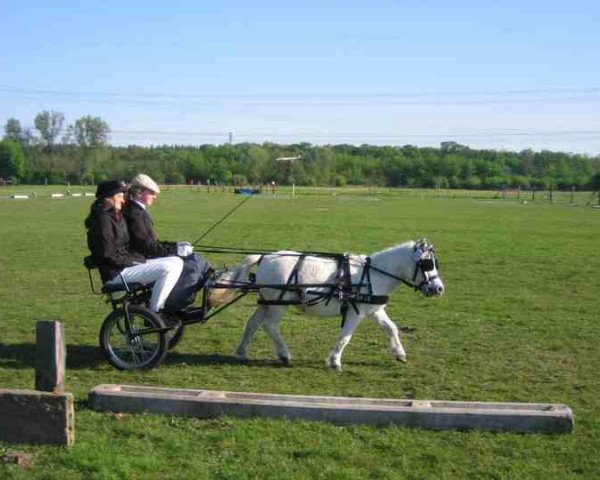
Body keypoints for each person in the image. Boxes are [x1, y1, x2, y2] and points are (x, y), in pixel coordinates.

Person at [84, 180, 184, 313]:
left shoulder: (114, 216)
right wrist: (135, 260)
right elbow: (108, 254)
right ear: (108, 198)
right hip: (116, 273)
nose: (123, 200)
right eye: (120, 196)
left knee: (176, 261)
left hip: (124, 267)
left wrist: (138, 257)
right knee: (169, 267)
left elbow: (125, 246)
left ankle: (156, 307)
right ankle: (156, 310)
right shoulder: (102, 220)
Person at [123, 174, 212, 313]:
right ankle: (171, 306)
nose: (155, 196)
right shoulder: (134, 213)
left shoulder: (139, 211)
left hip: (147, 255)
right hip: (142, 259)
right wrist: (175, 250)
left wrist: (176, 245)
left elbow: (152, 243)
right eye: (151, 193)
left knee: (198, 260)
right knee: (192, 264)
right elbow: (147, 247)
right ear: (139, 193)